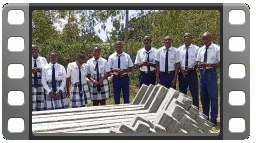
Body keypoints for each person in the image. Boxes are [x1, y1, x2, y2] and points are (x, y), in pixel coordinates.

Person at [197, 31, 220, 126]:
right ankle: (205, 118)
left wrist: (208, 64)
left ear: (211, 38)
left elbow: (220, 63)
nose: (205, 41)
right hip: (203, 73)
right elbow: (198, 61)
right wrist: (200, 65)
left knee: (213, 97)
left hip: (211, 72)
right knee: (203, 96)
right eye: (203, 39)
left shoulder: (217, 48)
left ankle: (213, 119)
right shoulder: (201, 49)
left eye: (206, 39)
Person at [178, 33, 200, 108]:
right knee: (182, 94)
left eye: (188, 36)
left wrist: (191, 69)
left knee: (194, 94)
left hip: (192, 73)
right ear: (183, 39)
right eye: (185, 37)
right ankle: (182, 110)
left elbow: (198, 62)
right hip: (182, 74)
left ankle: (196, 111)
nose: (186, 38)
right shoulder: (179, 49)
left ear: (191, 38)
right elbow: (178, 62)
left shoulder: (196, 49)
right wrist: (182, 70)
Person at [32, 45, 48, 111]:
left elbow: (47, 70)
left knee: (40, 99)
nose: (34, 51)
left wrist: (39, 70)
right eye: (32, 49)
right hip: (31, 80)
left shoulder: (43, 59)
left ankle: (41, 113)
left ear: (38, 50)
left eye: (35, 49)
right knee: (32, 98)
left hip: (40, 80)